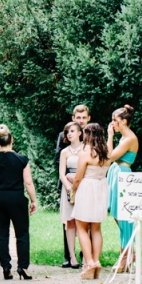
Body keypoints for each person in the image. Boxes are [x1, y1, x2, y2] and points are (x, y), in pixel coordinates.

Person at [0, 125, 38, 280]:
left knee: (1, 234)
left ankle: (6, 266)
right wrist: (33, 200)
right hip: (17, 197)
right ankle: (23, 267)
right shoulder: (22, 159)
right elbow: (29, 183)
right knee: (22, 233)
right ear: (12, 139)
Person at [71, 123, 111, 280]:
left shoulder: (86, 152)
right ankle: (96, 260)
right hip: (101, 187)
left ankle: (89, 263)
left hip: (87, 187)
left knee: (81, 227)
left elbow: (78, 177)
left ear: (87, 135)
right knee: (96, 228)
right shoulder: (107, 152)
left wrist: (73, 189)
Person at [55, 105, 91, 268]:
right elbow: (58, 160)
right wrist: (67, 180)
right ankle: (69, 256)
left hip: (85, 183)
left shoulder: (91, 137)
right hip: (68, 183)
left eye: (84, 118)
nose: (81, 120)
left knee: (87, 220)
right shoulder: (64, 137)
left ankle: (87, 255)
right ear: (73, 118)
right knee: (68, 221)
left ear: (88, 119)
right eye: (78, 117)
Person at [106, 105, 139, 271]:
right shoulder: (124, 137)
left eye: (115, 121)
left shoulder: (129, 139)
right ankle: (128, 252)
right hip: (116, 173)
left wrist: (109, 136)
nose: (113, 124)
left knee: (124, 216)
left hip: (123, 175)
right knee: (116, 213)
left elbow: (109, 156)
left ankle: (126, 255)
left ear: (124, 121)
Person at [58, 122, 82, 270]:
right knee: (70, 222)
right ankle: (72, 256)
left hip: (83, 186)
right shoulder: (64, 152)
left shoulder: (86, 149)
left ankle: (85, 254)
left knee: (84, 221)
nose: (69, 134)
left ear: (80, 133)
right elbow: (61, 172)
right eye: (67, 132)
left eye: (72, 131)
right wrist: (68, 187)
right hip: (68, 188)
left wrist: (79, 181)